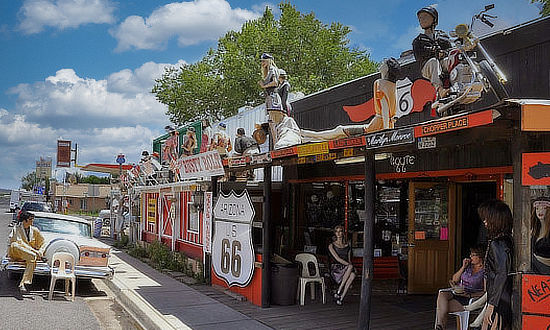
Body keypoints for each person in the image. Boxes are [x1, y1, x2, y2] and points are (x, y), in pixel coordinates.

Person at [477, 199, 513, 330]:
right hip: (502, 297)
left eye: (487, 218)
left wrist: (492, 305)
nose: (485, 222)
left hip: (499, 300)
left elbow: (501, 273)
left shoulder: (497, 243)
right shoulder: (508, 239)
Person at [434, 246, 486, 329]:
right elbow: (454, 280)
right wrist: (463, 267)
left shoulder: (484, 271)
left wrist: (470, 295)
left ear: (480, 257)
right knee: (442, 294)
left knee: (442, 308)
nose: (470, 257)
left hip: (469, 299)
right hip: (458, 292)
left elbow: (485, 292)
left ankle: (440, 327)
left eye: (473, 255)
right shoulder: (468, 267)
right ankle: (440, 326)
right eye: (470, 255)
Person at [412, 6, 452, 99]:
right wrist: (432, 51)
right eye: (420, 18)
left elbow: (450, 49)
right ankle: (440, 89)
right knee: (434, 62)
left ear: (434, 18)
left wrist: (444, 53)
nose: (422, 19)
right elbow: (418, 56)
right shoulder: (418, 40)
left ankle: (459, 82)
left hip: (441, 62)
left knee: (449, 60)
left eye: (425, 16)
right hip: (428, 66)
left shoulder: (442, 36)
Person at [8, 211, 46, 293]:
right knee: (15, 244)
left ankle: (23, 283)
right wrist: (35, 252)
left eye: (33, 219)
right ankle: (34, 255)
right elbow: (20, 243)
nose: (32, 221)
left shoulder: (35, 230)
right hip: (16, 253)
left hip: (29, 255)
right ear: (24, 220)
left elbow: (43, 242)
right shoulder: (16, 228)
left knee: (32, 259)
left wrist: (40, 251)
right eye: (30, 219)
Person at [328, 225, 356, 306]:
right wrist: (350, 266)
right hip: (336, 268)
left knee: (353, 275)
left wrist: (350, 266)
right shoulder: (331, 245)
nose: (338, 233)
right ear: (335, 233)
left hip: (346, 268)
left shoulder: (347, 246)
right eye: (337, 231)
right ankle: (339, 290)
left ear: (343, 233)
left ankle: (341, 297)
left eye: (340, 231)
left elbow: (349, 260)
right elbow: (337, 259)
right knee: (350, 267)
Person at [531, 197, 550, 274]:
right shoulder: (534, 230)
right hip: (534, 272)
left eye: (544, 208)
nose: (540, 211)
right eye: (537, 208)